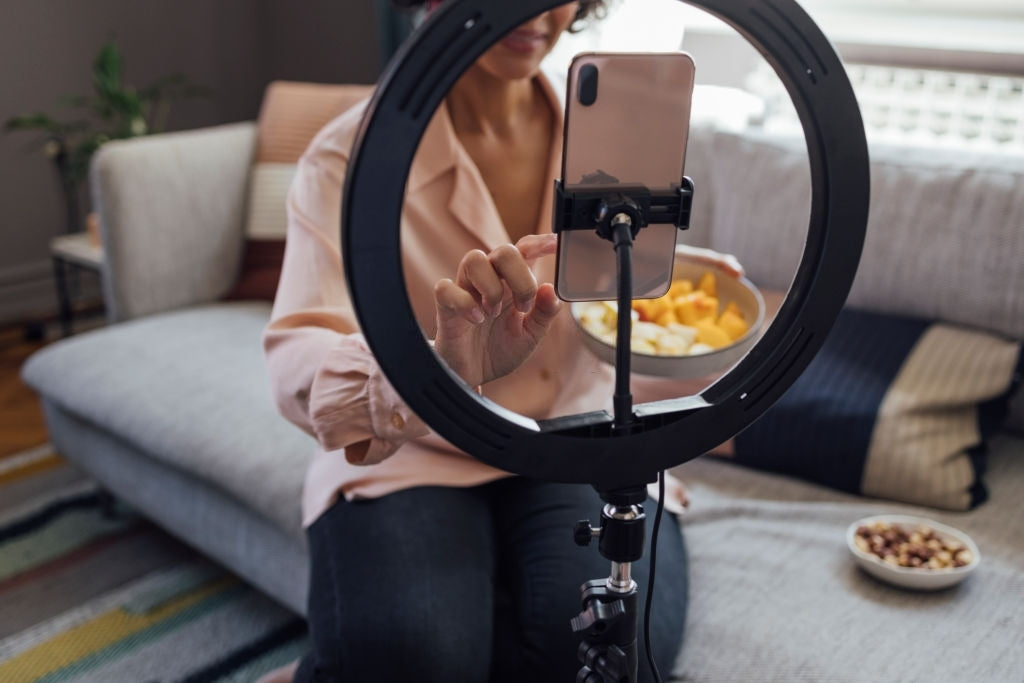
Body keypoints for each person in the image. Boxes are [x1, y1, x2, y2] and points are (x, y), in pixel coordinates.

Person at [261, 2, 689, 681]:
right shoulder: (348, 157)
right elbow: (296, 360)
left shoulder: (625, 138)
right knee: (414, 654)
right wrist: (431, 373)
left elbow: (653, 312)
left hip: (571, 440)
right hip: (412, 451)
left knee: (601, 653)